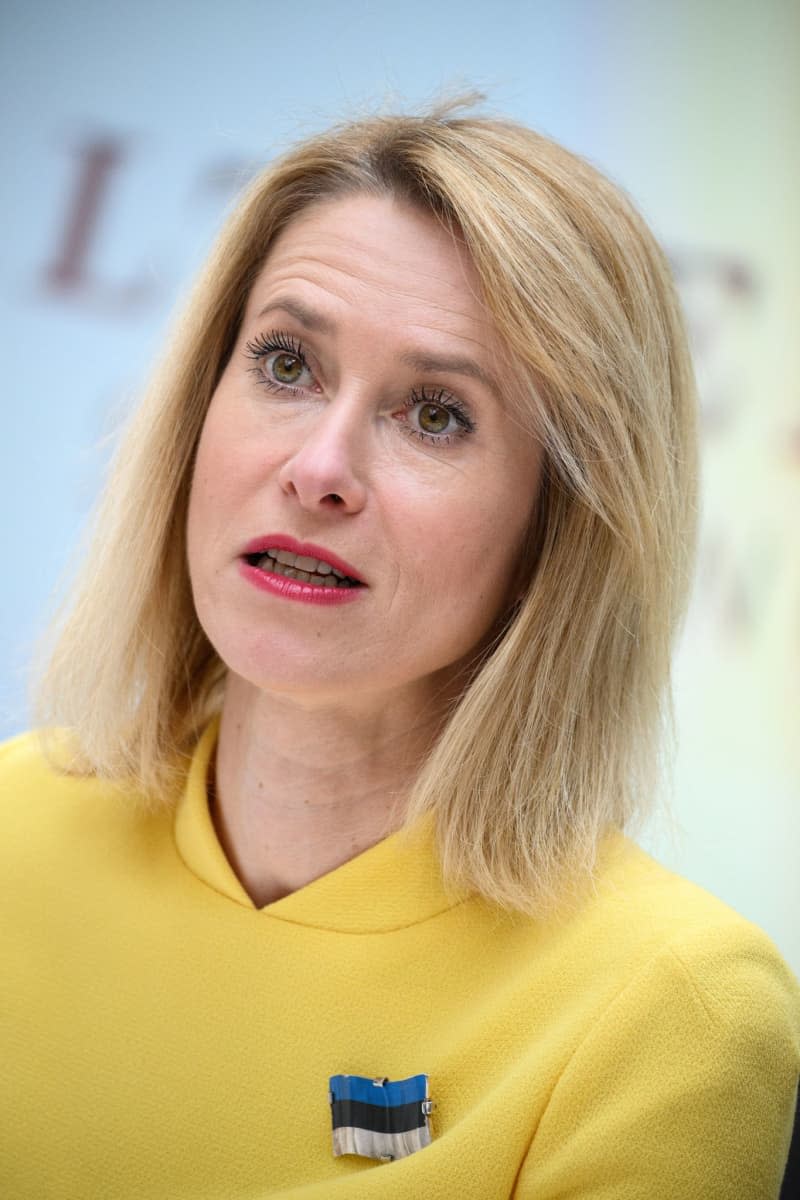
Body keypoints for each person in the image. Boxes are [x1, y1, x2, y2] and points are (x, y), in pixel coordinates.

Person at [1, 98, 798, 1199]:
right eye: (286, 363)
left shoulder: (670, 1008)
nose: (318, 466)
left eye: (434, 414)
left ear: (557, 526)